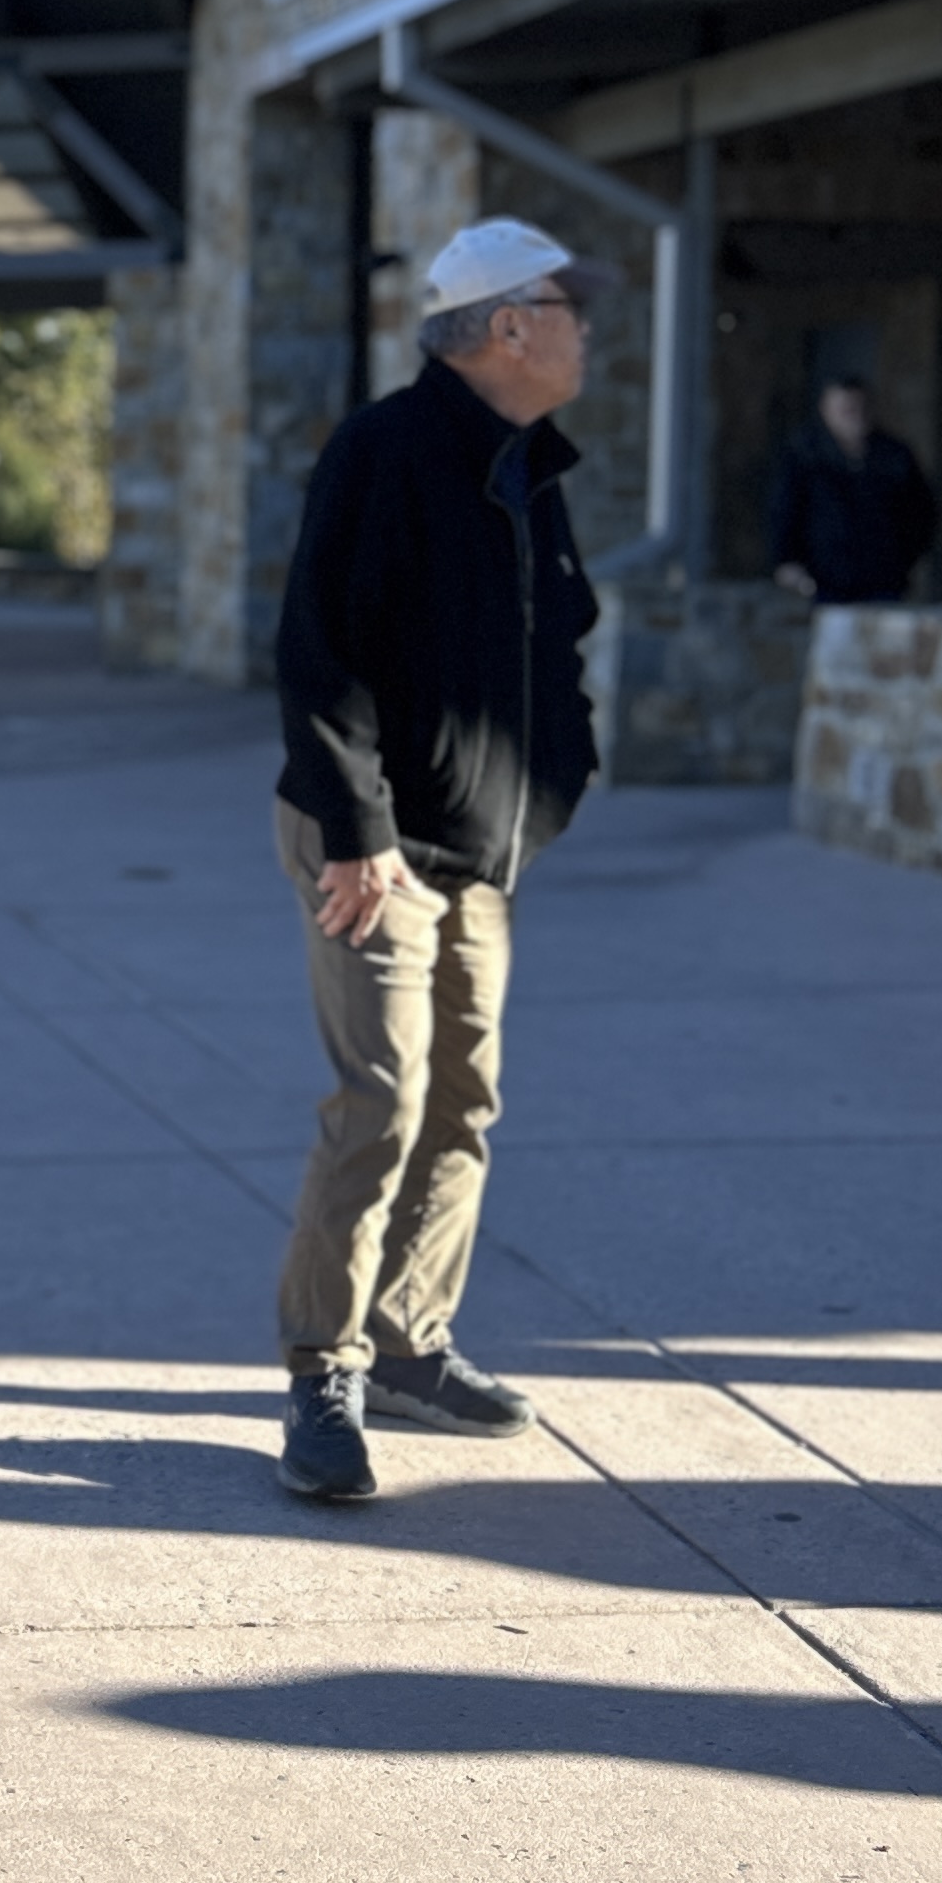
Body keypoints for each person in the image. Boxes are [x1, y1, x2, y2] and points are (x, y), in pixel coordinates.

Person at [268, 217, 604, 1506]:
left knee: (464, 1106)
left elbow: (557, 642)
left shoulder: (530, 469)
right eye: (570, 307)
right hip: (376, 849)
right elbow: (319, 654)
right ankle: (323, 1371)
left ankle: (411, 1342)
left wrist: (557, 784)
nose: (587, 332)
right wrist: (357, 836)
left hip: (478, 856)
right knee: (384, 1103)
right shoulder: (386, 451)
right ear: (508, 326)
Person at [770, 375, 936, 603]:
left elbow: (922, 514)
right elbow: (782, 511)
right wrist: (787, 561)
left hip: (884, 584)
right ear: (826, 411)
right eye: (846, 410)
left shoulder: (894, 456)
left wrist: (901, 563)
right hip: (822, 585)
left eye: (861, 408)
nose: (856, 416)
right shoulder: (803, 456)